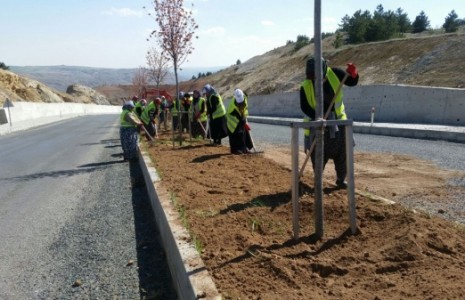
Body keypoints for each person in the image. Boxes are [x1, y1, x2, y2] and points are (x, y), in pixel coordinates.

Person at [300, 56, 359, 188]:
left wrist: (354, 75)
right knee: (318, 156)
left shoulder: (335, 74)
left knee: (342, 154)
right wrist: (318, 116)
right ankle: (318, 180)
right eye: (312, 76)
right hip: (319, 126)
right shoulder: (305, 85)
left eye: (317, 75)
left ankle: (340, 179)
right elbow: (304, 106)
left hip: (339, 124)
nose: (315, 79)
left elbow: (351, 81)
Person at [226, 88, 254, 154]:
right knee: (236, 134)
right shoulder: (232, 105)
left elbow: (244, 109)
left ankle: (245, 148)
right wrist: (243, 120)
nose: (240, 102)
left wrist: (244, 117)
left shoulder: (245, 98)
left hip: (240, 117)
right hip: (232, 121)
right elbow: (239, 116)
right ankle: (236, 150)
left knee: (244, 133)